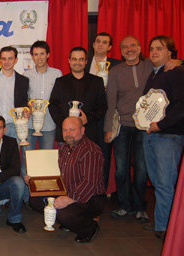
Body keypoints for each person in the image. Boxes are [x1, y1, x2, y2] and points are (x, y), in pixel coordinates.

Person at [105, 36, 181, 221]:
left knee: (141, 169)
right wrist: (108, 128)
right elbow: (111, 102)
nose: (129, 49)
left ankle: (140, 207)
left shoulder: (151, 66)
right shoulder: (115, 71)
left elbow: (172, 66)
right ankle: (124, 205)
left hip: (147, 128)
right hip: (122, 126)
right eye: (125, 47)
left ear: (139, 49)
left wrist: (178, 61)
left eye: (133, 46)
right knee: (121, 169)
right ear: (120, 51)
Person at [29, 117, 105, 243]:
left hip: (91, 198)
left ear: (82, 130)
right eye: (65, 130)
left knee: (62, 213)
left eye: (72, 130)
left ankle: (90, 228)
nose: (68, 134)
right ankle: (70, 223)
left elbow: (89, 184)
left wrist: (68, 199)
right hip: (68, 191)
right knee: (35, 200)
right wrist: (35, 180)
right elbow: (56, 174)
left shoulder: (90, 151)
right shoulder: (64, 147)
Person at [141, 35, 184, 239]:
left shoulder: (175, 71)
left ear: (170, 53)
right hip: (153, 134)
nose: (154, 52)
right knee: (158, 181)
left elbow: (181, 106)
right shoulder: (155, 74)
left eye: (159, 48)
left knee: (165, 182)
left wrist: (161, 125)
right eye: (151, 48)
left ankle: (166, 229)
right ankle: (161, 222)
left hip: (168, 135)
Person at [21, 41, 61, 199]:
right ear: (32, 56)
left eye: (42, 53)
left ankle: (45, 195)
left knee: (47, 161)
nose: (39, 57)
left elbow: (60, 98)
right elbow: (24, 99)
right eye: (36, 54)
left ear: (48, 55)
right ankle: (26, 195)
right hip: (30, 124)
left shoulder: (57, 74)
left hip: (50, 124)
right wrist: (26, 108)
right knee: (26, 160)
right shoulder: (27, 76)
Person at [86, 32, 122, 190]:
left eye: (104, 42)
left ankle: (100, 195)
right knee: (85, 156)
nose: (100, 44)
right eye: (98, 41)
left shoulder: (117, 66)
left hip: (106, 119)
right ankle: (84, 192)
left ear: (110, 47)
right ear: (93, 44)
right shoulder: (84, 64)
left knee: (104, 158)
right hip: (87, 119)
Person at [49, 47, 107, 144]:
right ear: (69, 61)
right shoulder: (60, 81)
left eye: (81, 59)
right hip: (66, 135)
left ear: (86, 61)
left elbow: (102, 106)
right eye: (74, 59)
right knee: (66, 159)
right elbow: (53, 105)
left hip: (89, 133)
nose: (77, 62)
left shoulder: (97, 81)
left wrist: (87, 119)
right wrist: (64, 122)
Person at [0, 46, 29, 141]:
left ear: (16, 60)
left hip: (14, 125)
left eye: (10, 58)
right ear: (0, 60)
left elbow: (23, 102)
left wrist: (27, 110)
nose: (7, 62)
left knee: (12, 155)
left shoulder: (23, 81)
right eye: (4, 58)